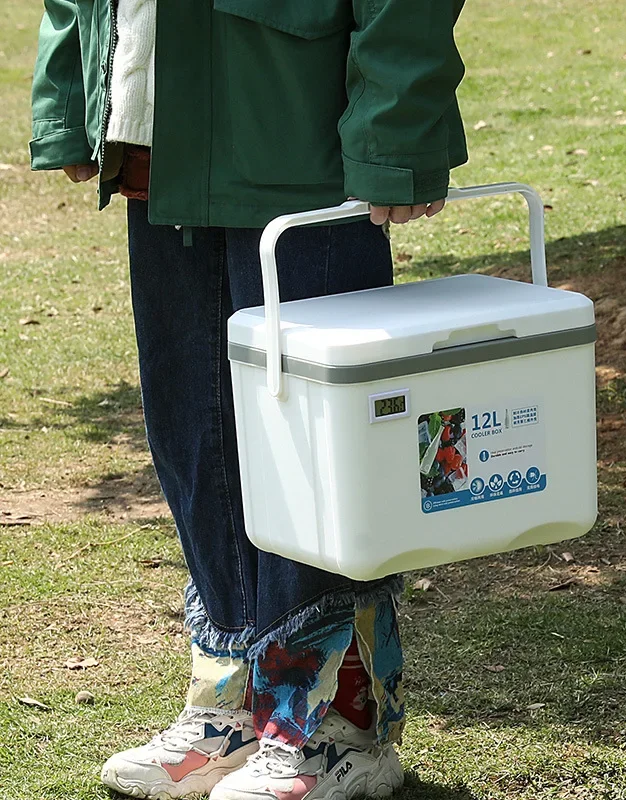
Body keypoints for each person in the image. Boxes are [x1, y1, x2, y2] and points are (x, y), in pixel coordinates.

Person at [30, 1, 468, 798]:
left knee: (318, 447)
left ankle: (340, 728)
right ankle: (234, 706)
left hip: (299, 136)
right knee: (195, 432)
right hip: (159, 138)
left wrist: (397, 136)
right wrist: (69, 98)